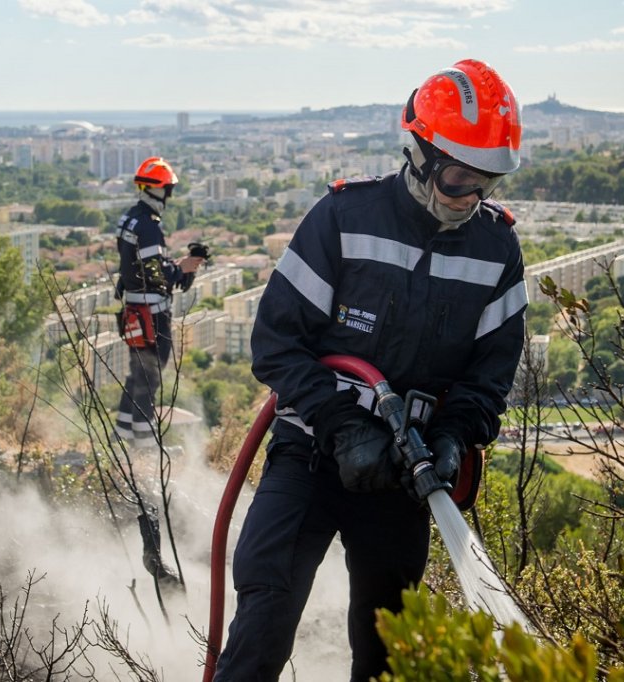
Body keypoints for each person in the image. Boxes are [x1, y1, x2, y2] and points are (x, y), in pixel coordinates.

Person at [214, 59, 527, 681]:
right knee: (265, 616)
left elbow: (489, 377)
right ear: (421, 154)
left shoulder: (497, 250)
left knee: (388, 652)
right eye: (459, 177)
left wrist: (452, 436)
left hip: (404, 477)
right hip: (310, 454)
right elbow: (276, 342)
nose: (471, 197)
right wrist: (340, 425)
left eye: (486, 182)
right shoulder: (344, 217)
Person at [113, 157, 203, 449]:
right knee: (150, 377)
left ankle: (122, 437)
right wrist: (181, 269)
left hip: (134, 310)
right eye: (168, 189)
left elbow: (138, 265)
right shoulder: (149, 226)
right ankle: (146, 445)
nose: (169, 195)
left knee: (137, 374)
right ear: (158, 189)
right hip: (152, 313)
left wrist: (175, 267)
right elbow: (155, 273)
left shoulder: (129, 219)